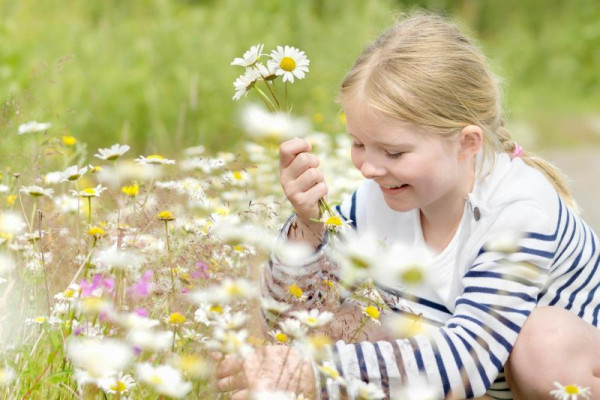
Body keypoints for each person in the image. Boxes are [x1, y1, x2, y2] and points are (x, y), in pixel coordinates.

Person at [216, 12, 600, 400]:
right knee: (339, 322)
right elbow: (287, 322)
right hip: (471, 385)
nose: (368, 167)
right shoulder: (374, 199)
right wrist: (309, 227)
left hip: (541, 373)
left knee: (543, 344)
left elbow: (466, 362)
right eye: (358, 143)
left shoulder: (518, 210)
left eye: (395, 152)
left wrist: (312, 375)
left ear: (467, 143)